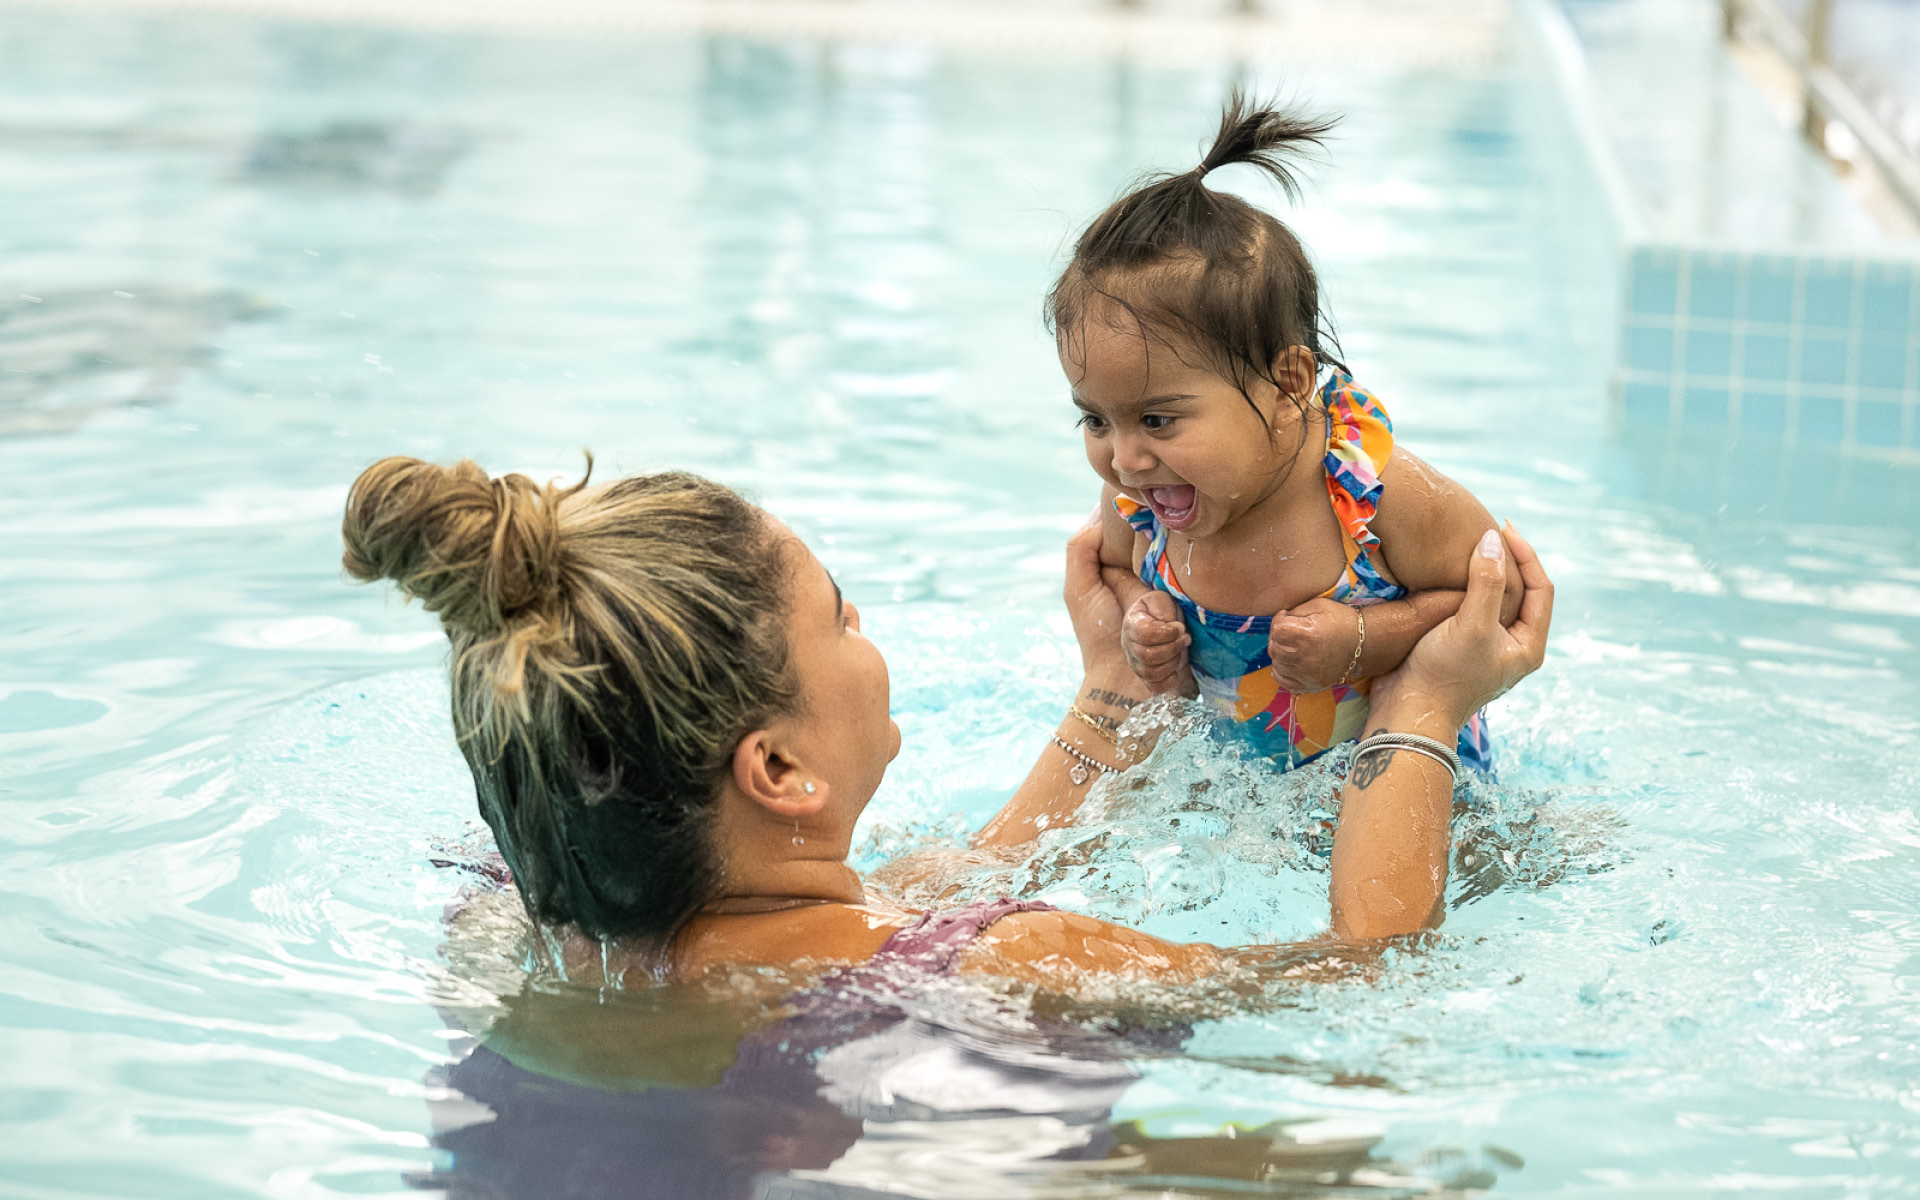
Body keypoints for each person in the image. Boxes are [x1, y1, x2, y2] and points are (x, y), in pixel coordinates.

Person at [341, 455, 1549, 988]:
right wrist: (1424, 700)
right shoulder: (1012, 965)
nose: (865, 625)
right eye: (839, 615)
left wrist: (1114, 695)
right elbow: (1363, 975)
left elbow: (919, 902)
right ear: (777, 768)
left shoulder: (520, 920)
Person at [1054, 92, 1520, 773]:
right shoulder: (1146, 501)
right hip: (1243, 796)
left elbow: (1501, 600)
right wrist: (1140, 616)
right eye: (1095, 419)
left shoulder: (1368, 496)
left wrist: (1366, 637)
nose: (1124, 459)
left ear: (1289, 385)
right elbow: (1117, 570)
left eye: (1158, 419)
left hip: (1403, 779)